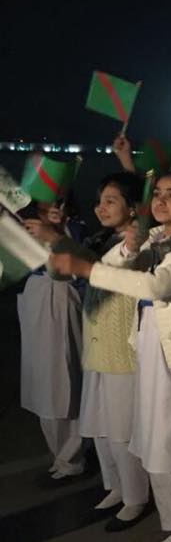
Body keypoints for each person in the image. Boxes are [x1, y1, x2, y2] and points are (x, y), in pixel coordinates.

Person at [51, 170, 171, 542]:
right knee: (152, 443)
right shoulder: (156, 241)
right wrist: (120, 252)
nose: (161, 201)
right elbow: (122, 265)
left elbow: (156, 287)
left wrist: (88, 269)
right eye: (157, 194)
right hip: (149, 353)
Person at [73, 172, 151, 529]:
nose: (100, 208)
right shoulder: (99, 239)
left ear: (133, 208)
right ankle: (114, 487)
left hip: (121, 350)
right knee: (100, 427)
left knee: (121, 429)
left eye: (111, 201)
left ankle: (135, 497)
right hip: (96, 349)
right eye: (99, 201)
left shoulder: (140, 243)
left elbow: (118, 264)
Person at [21, 197, 86, 484]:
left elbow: (73, 265)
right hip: (35, 304)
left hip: (59, 303)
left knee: (62, 382)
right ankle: (60, 455)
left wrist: (59, 232)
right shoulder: (26, 226)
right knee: (42, 385)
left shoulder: (74, 230)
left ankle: (72, 458)